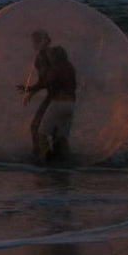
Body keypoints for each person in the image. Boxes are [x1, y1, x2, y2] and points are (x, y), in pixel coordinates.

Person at [17, 31, 77, 164]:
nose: (34, 44)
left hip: (56, 98)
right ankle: (59, 158)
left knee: (39, 128)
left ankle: (42, 157)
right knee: (56, 132)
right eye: (34, 41)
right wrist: (31, 93)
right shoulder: (44, 58)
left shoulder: (53, 57)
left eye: (37, 41)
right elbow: (44, 81)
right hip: (63, 98)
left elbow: (48, 81)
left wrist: (30, 90)